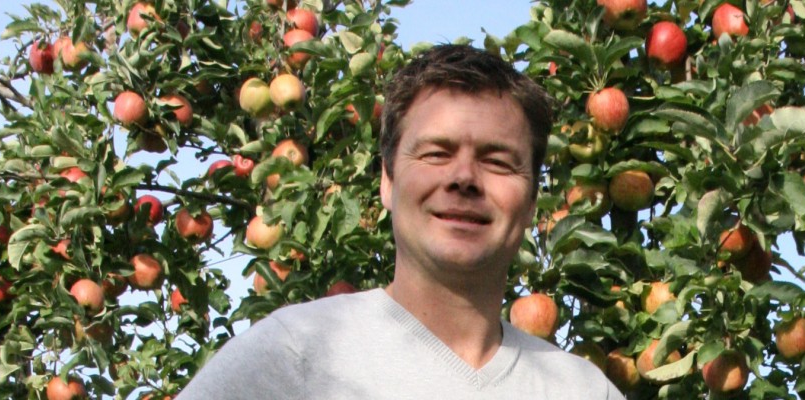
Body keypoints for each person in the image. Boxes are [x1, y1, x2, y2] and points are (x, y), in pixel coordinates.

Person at [182, 44, 621, 399]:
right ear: (387, 182)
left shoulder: (582, 391)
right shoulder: (293, 356)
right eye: (436, 153)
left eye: (497, 161)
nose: (464, 178)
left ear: (531, 202)